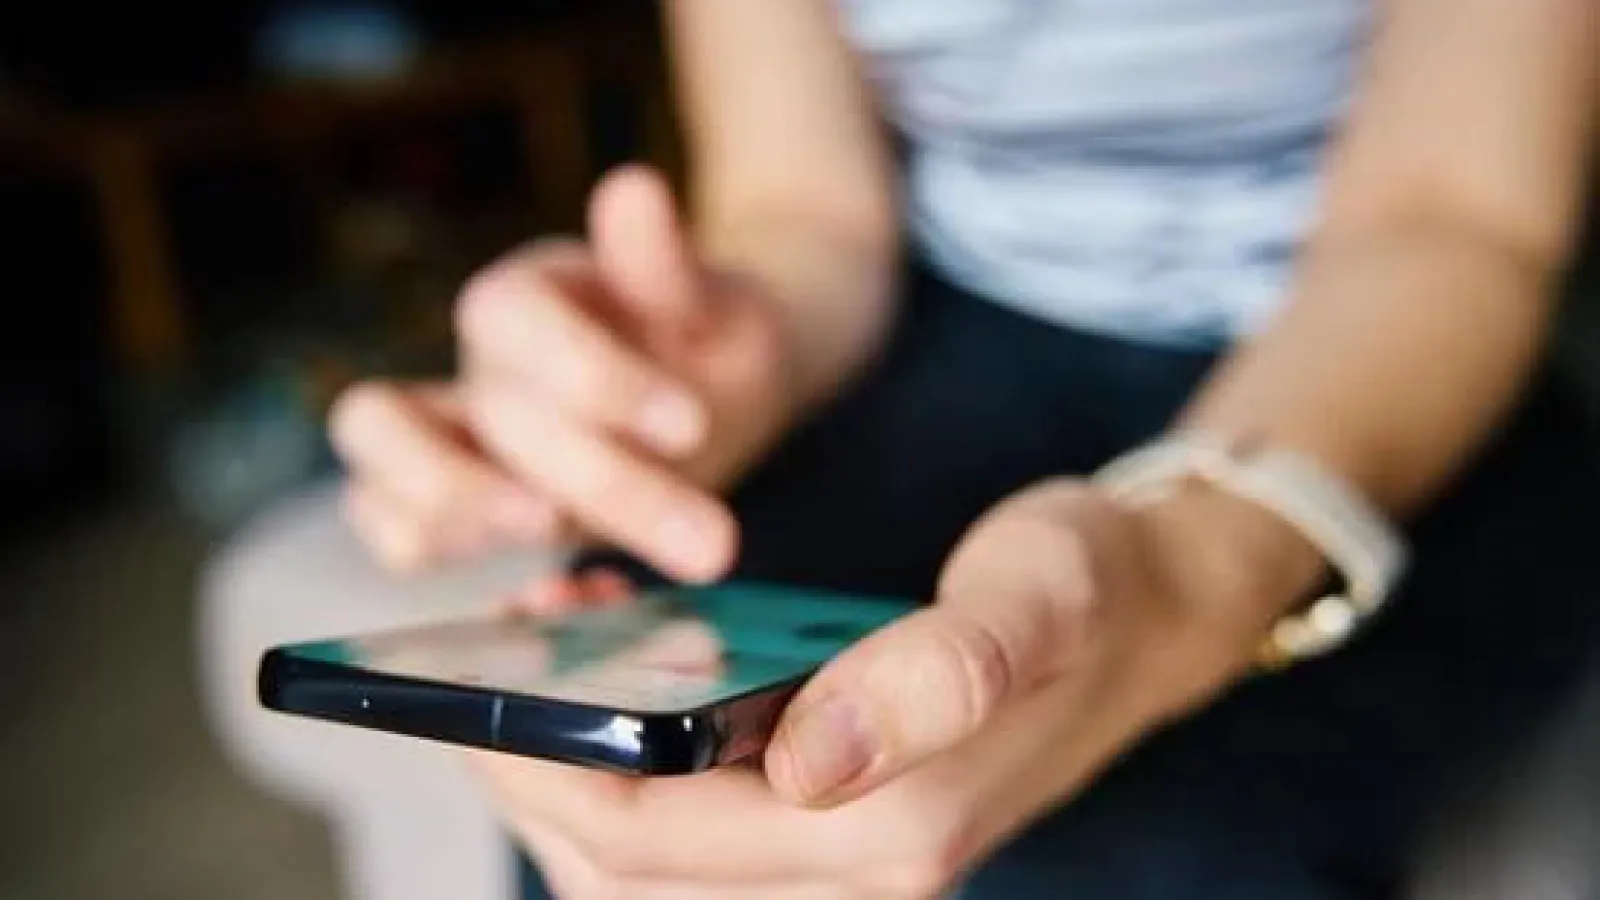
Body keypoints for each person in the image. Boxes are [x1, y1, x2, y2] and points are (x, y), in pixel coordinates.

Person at [326, 1, 1600, 897]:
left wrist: (1199, 567)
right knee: (636, 756)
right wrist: (693, 369)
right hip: (945, 320)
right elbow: (802, 205)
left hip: (1385, 351)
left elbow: (1451, 222)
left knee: (1166, 852)